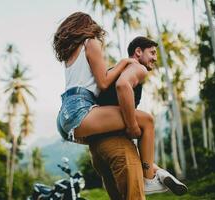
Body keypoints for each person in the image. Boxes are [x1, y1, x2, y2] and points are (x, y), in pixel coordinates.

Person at [53, 12, 187, 196]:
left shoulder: (71, 54)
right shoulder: (91, 42)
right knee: (146, 120)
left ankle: (153, 169)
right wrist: (124, 61)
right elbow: (103, 82)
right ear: (87, 26)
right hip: (81, 109)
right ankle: (148, 179)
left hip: (64, 118)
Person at [87, 36, 188, 199]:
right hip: (116, 143)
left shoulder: (114, 71)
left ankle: (158, 172)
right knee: (147, 122)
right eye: (152, 53)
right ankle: (150, 177)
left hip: (97, 148)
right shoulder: (137, 67)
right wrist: (132, 125)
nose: (155, 58)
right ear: (138, 52)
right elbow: (122, 85)